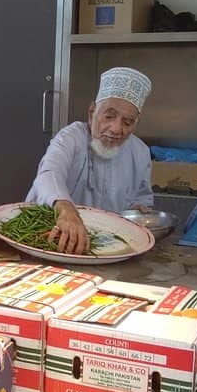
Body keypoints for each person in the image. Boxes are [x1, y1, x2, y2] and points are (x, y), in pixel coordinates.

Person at [26, 66, 154, 255]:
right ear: (92, 111)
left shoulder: (140, 152)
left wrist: (138, 210)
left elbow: (142, 199)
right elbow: (48, 174)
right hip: (51, 241)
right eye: (109, 116)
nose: (116, 129)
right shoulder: (71, 138)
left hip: (105, 250)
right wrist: (65, 209)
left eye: (127, 122)